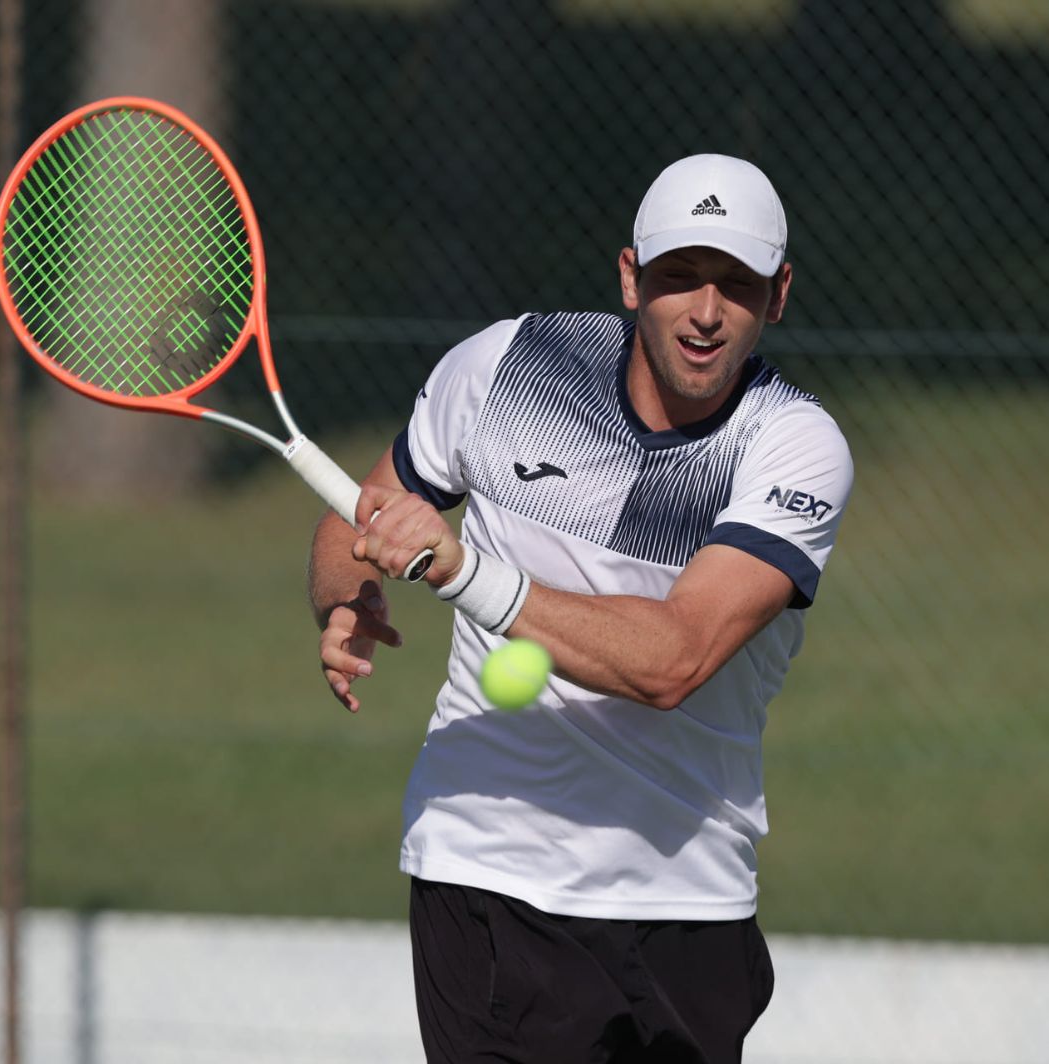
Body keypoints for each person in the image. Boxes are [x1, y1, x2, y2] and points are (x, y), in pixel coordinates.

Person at [307, 154, 853, 1063]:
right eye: (679, 278)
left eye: (738, 285)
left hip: (689, 906)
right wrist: (348, 595)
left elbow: (672, 660)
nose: (707, 314)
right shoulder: (507, 365)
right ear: (632, 276)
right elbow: (355, 517)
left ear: (780, 292)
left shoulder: (793, 445)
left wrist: (462, 571)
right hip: (489, 884)